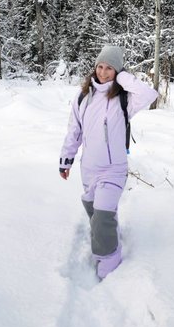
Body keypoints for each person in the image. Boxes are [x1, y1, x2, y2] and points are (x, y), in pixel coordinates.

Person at [59, 44, 158, 280]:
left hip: (114, 169)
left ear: (118, 71)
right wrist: (66, 159)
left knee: (102, 217)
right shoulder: (82, 97)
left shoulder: (125, 99)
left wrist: (122, 77)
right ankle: (108, 238)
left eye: (110, 68)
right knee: (96, 215)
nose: (103, 72)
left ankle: (109, 266)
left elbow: (149, 94)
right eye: (100, 66)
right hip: (89, 169)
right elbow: (74, 131)